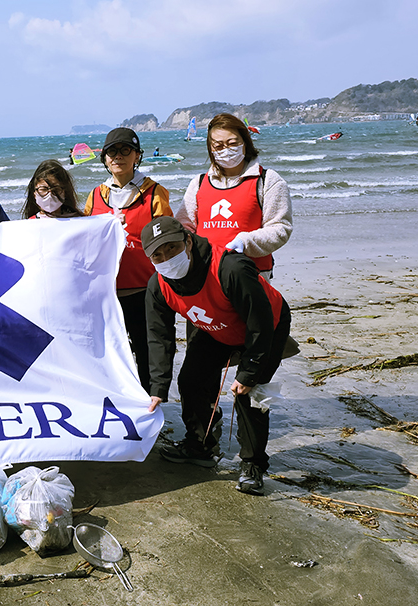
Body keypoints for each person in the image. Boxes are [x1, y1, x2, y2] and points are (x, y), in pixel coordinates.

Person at [143, 216, 291, 496]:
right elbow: (159, 338)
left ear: (188, 241)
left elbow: (260, 322)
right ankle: (200, 445)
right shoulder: (158, 285)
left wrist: (249, 372)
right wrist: (158, 388)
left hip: (264, 325)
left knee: (249, 394)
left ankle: (253, 465)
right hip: (213, 327)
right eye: (157, 255)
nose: (166, 258)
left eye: (172, 248)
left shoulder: (230, 268)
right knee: (191, 381)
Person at [83, 127, 172, 392]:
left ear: (137, 156)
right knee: (109, 353)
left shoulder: (155, 193)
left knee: (147, 352)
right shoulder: (96, 195)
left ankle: (151, 404)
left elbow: (168, 244)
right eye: (112, 152)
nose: (118, 157)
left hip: (145, 290)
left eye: (125, 151)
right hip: (106, 293)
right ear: (105, 159)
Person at [176, 113, 292, 281]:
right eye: (219, 146)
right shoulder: (199, 183)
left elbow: (281, 228)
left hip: (251, 274)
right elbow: (184, 226)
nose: (226, 150)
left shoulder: (268, 180)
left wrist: (245, 243)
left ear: (245, 143)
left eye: (232, 143)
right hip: (205, 274)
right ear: (210, 148)